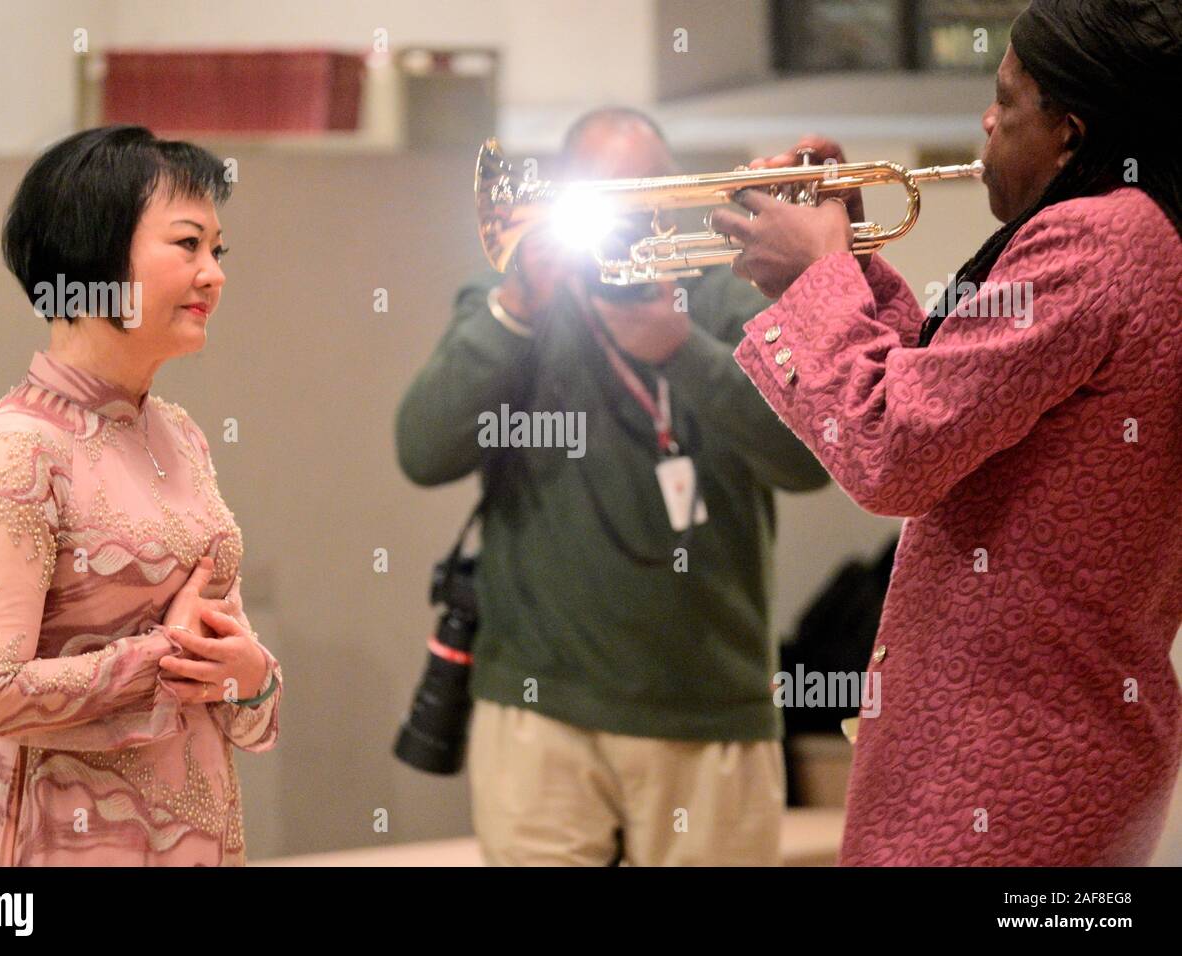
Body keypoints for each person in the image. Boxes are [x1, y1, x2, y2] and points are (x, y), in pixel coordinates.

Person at [712, 0, 1182, 865]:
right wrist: (843, 258)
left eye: (1007, 101)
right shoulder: (1144, 234)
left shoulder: (1096, 241)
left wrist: (811, 278)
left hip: (1004, 775)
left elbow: (891, 451)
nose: (986, 120)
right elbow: (943, 396)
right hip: (1052, 759)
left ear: (1070, 134)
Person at [397, 108, 829, 866]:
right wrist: (516, 311)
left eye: (644, 190)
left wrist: (680, 349)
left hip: (711, 705)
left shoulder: (731, 289)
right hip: (541, 703)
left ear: (674, 192)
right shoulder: (518, 299)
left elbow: (809, 461)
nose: (625, 213)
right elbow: (423, 448)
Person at [0, 125, 281, 866]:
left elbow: (234, 674)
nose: (213, 275)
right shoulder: (19, 449)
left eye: (216, 252)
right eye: (187, 245)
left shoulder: (182, 434)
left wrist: (251, 679)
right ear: (94, 251)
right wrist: (164, 658)